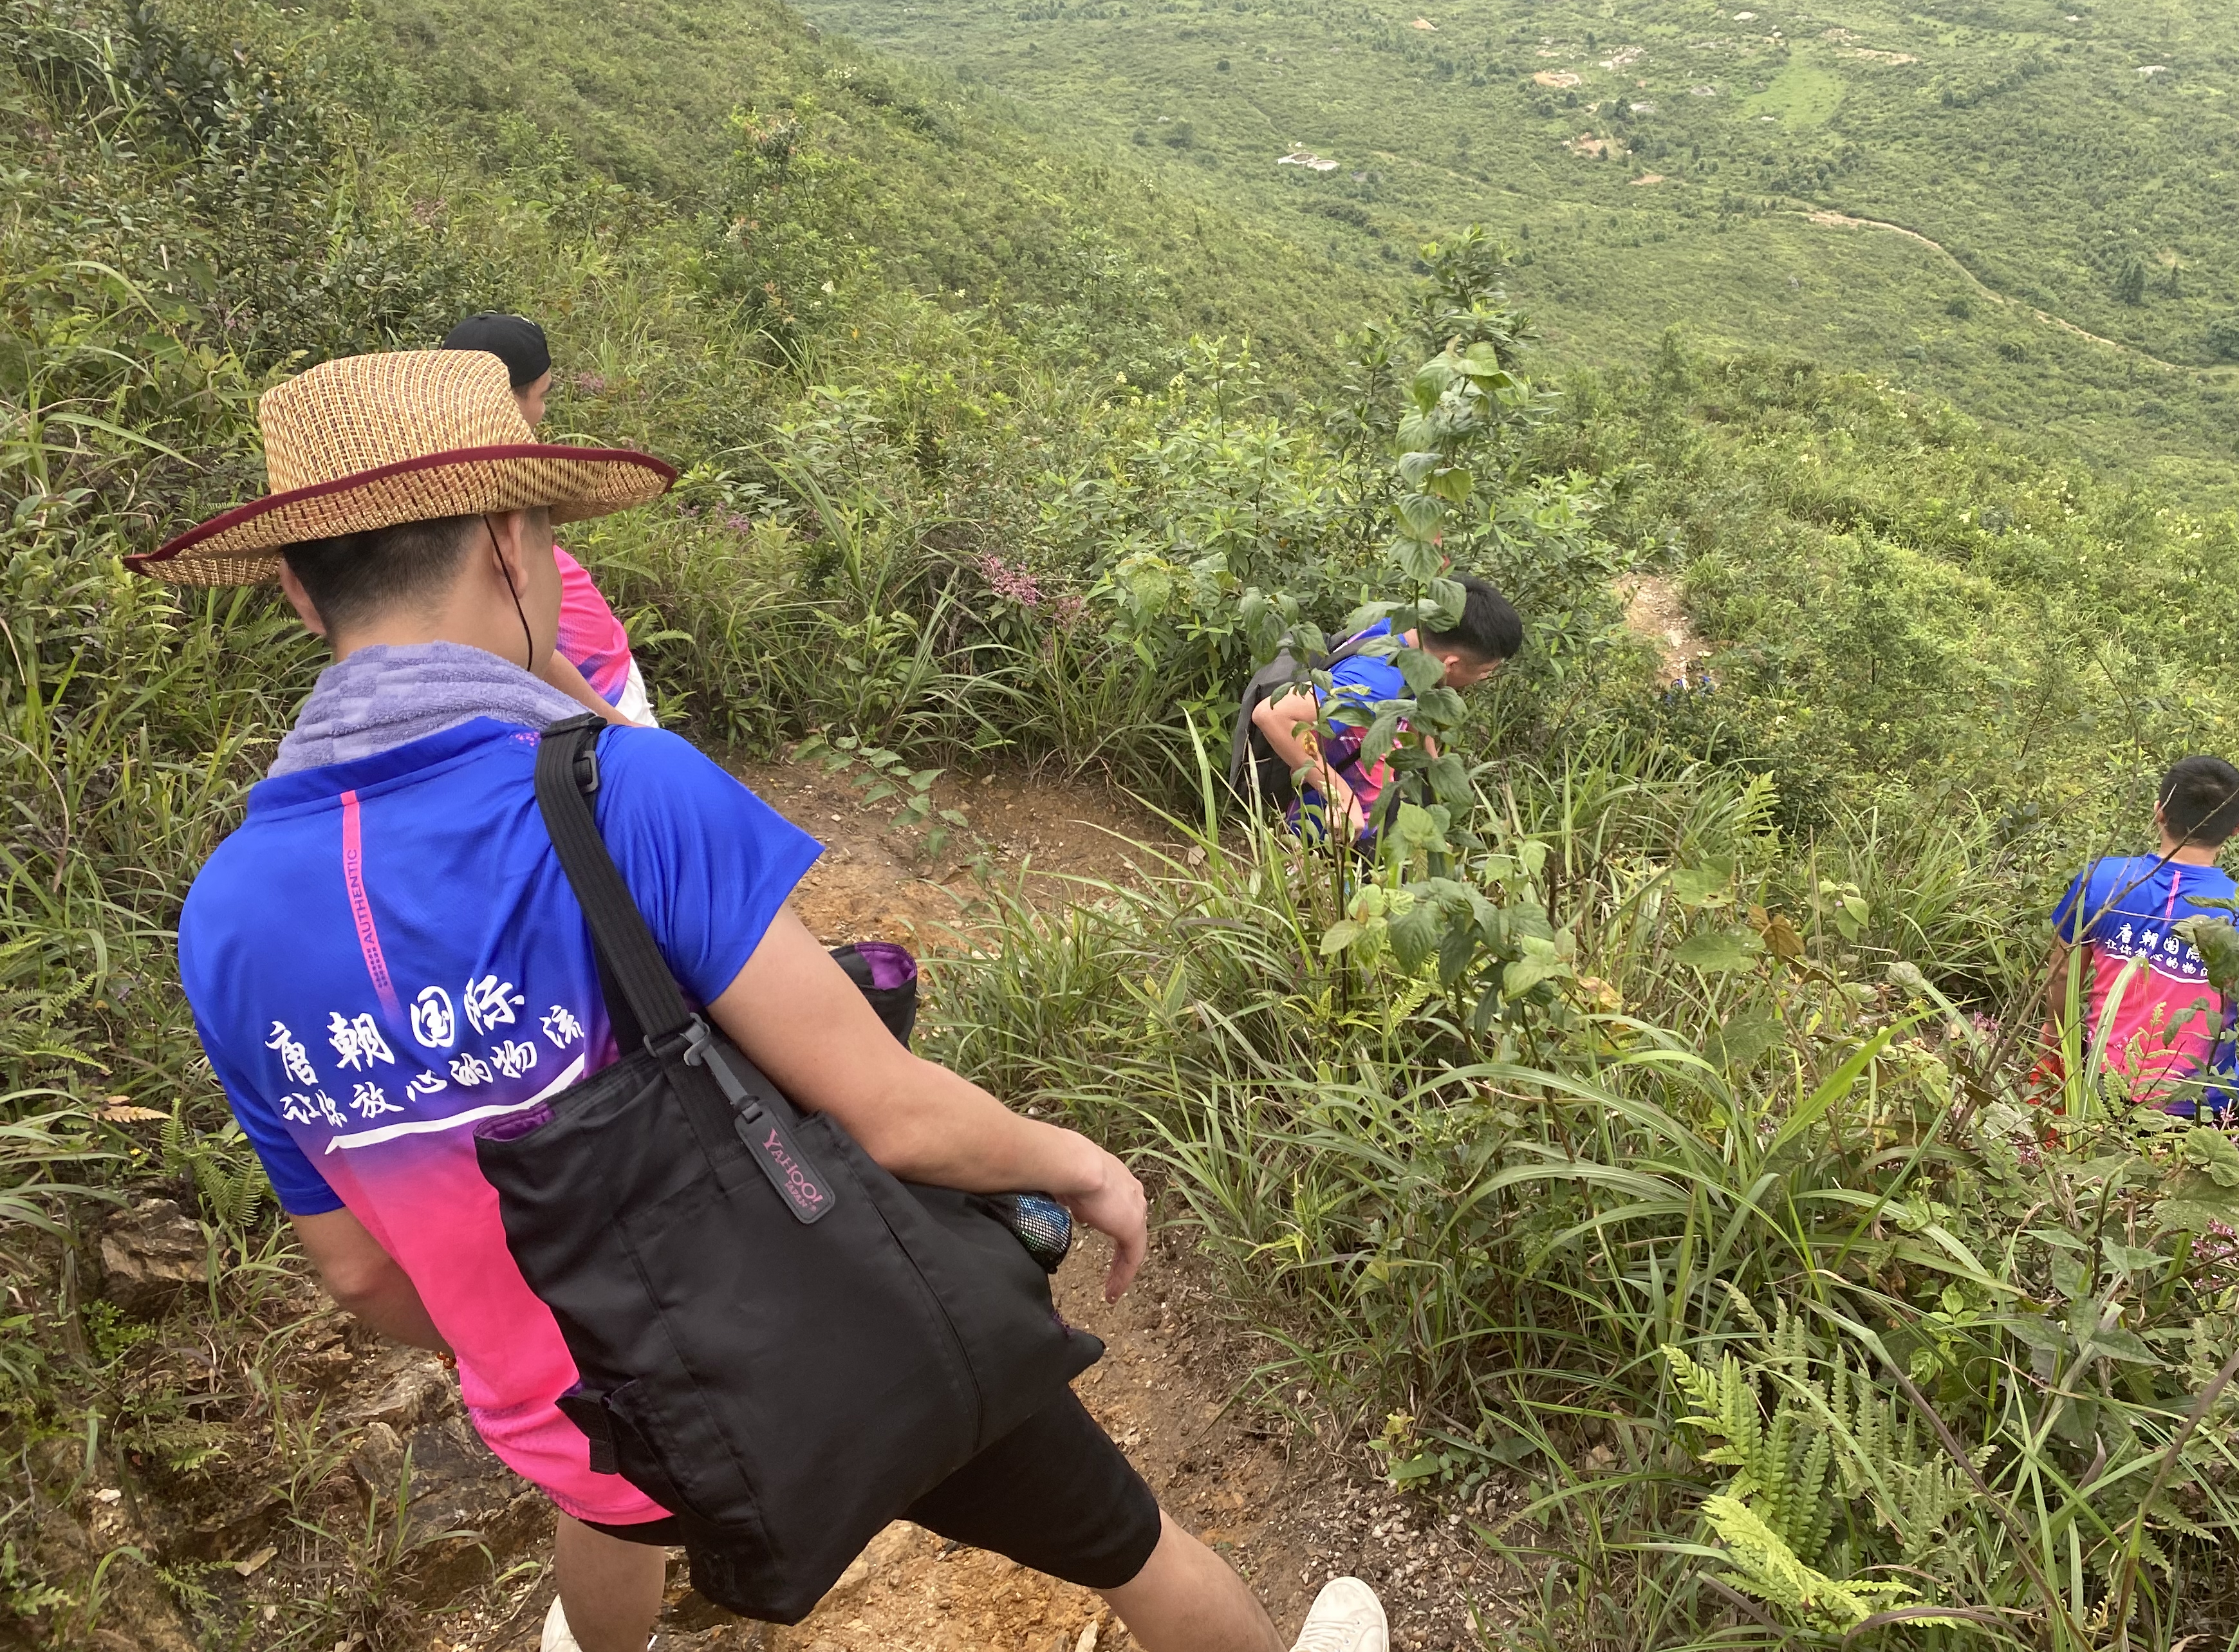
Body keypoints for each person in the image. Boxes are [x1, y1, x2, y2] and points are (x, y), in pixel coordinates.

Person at [128, 349, 1391, 1652]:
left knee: (612, 1504)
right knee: (1128, 1543)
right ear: (513, 539)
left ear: (293, 590)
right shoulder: (630, 795)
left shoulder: (222, 916)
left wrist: (550, 1333)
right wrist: (1079, 1164)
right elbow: (891, 1115)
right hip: (813, 1353)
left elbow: (356, 1273)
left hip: (573, 1415)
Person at [2048, 754, 2239, 1131]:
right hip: (2203, 1105)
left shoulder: (2102, 880)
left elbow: (2061, 980)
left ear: (2159, 811)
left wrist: (2053, 1046)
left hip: (2097, 1089)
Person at [442, 313, 658, 727]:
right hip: (594, 699)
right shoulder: (493, 499)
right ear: (508, 404)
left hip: (602, 675)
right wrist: (620, 727)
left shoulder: (451, 479)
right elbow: (531, 646)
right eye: (542, 395)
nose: (542, 411)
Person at [1250, 577, 1523, 848]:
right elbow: (1272, 714)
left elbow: (1412, 714)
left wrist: (1433, 772)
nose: (1484, 677)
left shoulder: (1404, 631)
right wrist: (1340, 796)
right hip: (1333, 826)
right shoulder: (1381, 680)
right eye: (1485, 672)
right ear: (1451, 664)